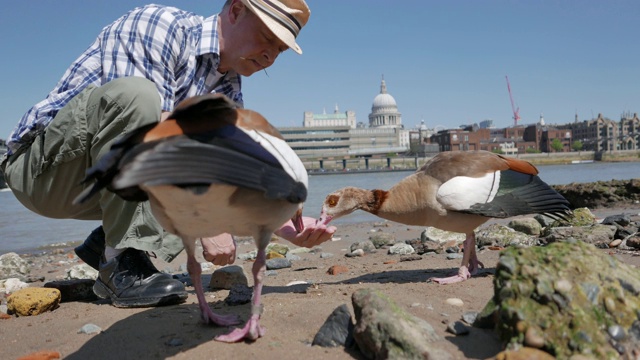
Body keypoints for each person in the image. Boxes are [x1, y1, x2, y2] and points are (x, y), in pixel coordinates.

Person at [1, 0, 336, 308]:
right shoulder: (159, 26)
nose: (270, 56)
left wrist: (280, 223)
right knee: (138, 98)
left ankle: (105, 245)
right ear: (235, 11)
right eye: (266, 37)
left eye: (279, 49)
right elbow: (147, 129)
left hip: (95, 181)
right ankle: (121, 266)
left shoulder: (228, 91)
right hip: (43, 170)